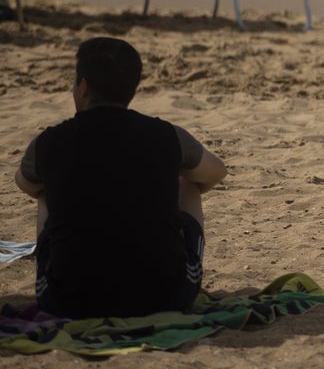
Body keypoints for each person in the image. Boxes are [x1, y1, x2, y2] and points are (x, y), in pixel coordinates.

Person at [14, 37, 226, 317]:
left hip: (68, 300)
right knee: (187, 182)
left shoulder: (50, 142)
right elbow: (215, 172)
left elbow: (25, 183)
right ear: (132, 89)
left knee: (45, 192)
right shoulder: (167, 136)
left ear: (84, 87)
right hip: (166, 296)